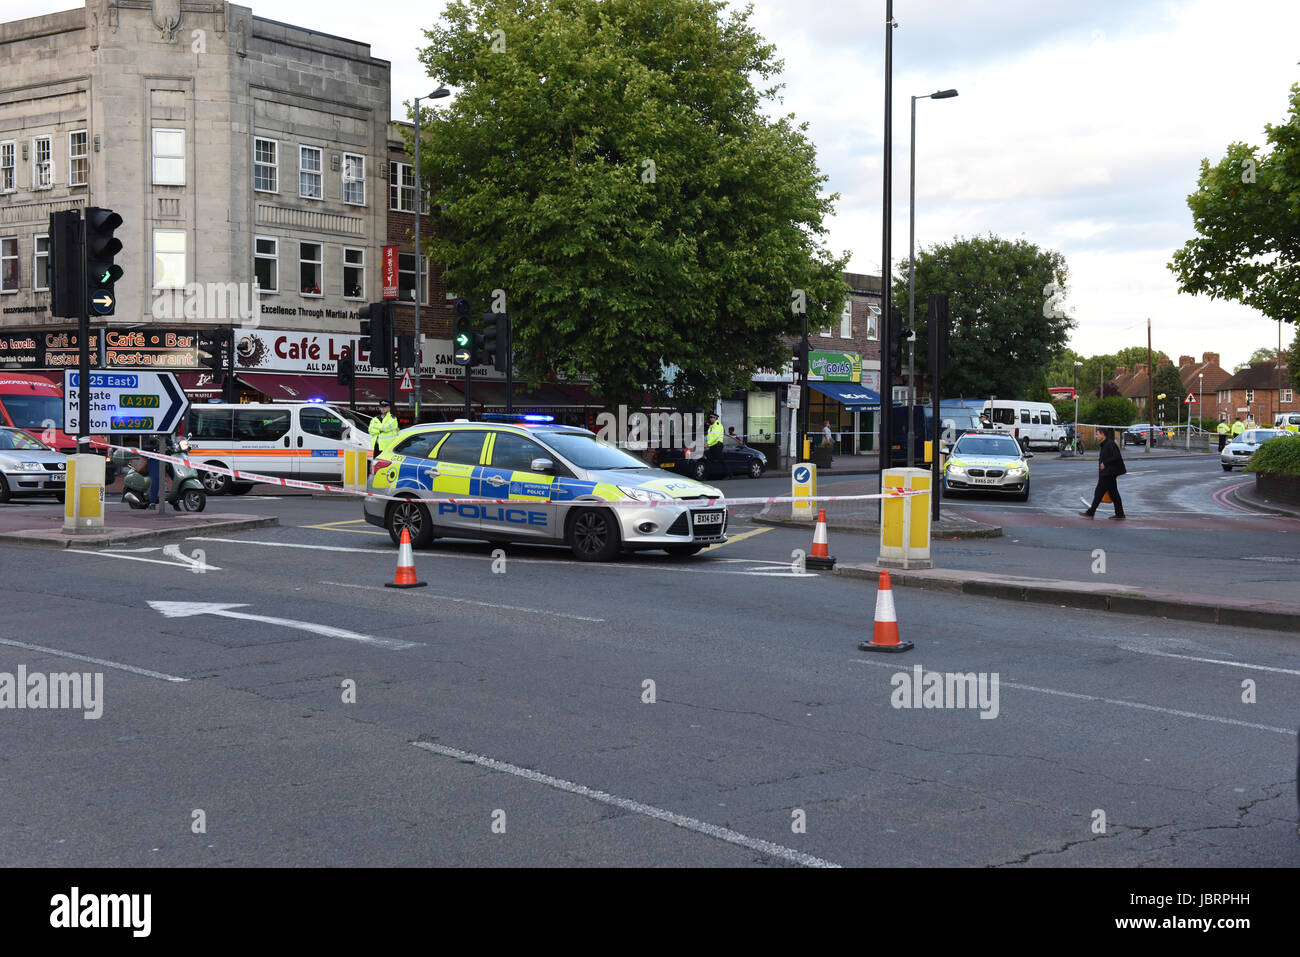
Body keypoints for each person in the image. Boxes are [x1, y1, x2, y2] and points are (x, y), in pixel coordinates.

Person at [1079, 427, 1127, 520]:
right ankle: (1120, 514)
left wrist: (1105, 463)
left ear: (1102, 435)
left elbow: (1117, 456)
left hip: (1109, 472)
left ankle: (1091, 512)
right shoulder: (1105, 444)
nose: (1096, 436)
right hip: (1108, 473)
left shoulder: (1110, 444)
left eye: (1097, 434)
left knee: (1100, 492)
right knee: (1112, 493)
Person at [704, 411, 733, 478]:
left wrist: (708, 443)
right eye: (710, 418)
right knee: (709, 461)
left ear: (715, 418)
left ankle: (729, 474)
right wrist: (708, 443)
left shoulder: (717, 425)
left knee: (721, 461)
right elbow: (710, 436)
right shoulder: (712, 426)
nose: (710, 419)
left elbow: (715, 436)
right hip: (713, 445)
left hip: (717, 446)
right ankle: (707, 475)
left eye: (711, 418)